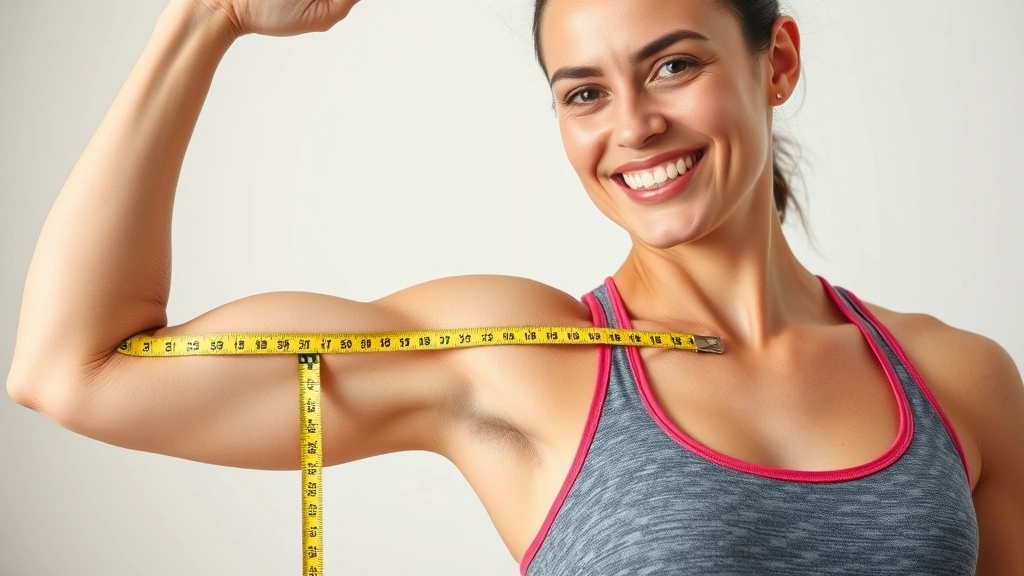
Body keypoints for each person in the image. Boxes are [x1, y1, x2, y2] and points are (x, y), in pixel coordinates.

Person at [5, 0, 1022, 573]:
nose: (630, 126)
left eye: (671, 67)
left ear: (776, 62)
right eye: (583, 92)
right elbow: (73, 366)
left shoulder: (958, 379)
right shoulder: (522, 361)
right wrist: (201, 20)